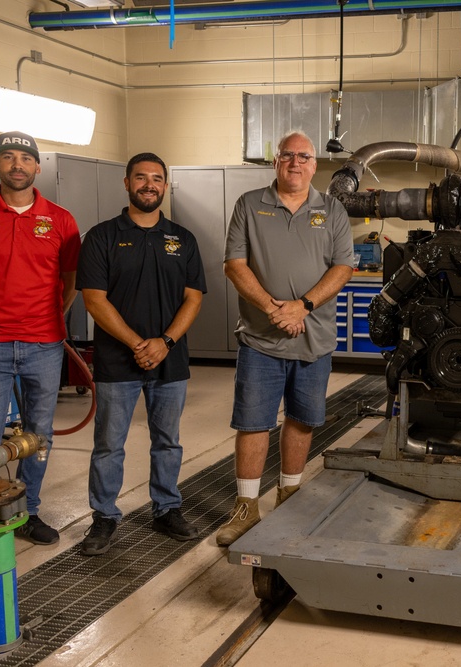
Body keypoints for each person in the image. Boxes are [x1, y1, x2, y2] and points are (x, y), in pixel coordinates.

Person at [0, 131, 81, 573]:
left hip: (44, 345)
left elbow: (70, 283)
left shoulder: (60, 220)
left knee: (39, 433)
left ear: (37, 167)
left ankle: (28, 512)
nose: (17, 165)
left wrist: (46, 323)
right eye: (8, 157)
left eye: (26, 158)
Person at [215, 131, 354, 546]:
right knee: (253, 422)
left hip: (314, 339)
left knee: (302, 419)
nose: (295, 162)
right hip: (260, 339)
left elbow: (343, 267)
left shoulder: (332, 210)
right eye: (287, 155)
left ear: (315, 165)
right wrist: (275, 309)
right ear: (276, 162)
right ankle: (245, 508)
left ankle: (289, 493)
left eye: (304, 156)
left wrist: (303, 306)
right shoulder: (250, 205)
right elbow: (234, 264)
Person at [76, 153, 206, 556]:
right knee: (109, 443)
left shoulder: (182, 238)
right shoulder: (101, 236)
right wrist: (137, 343)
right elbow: (94, 301)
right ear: (127, 182)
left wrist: (164, 342)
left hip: (171, 360)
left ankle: (166, 507)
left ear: (165, 186)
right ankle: (104, 517)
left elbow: (193, 297)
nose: (149, 184)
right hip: (117, 362)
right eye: (141, 178)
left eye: (157, 178)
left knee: (168, 441)